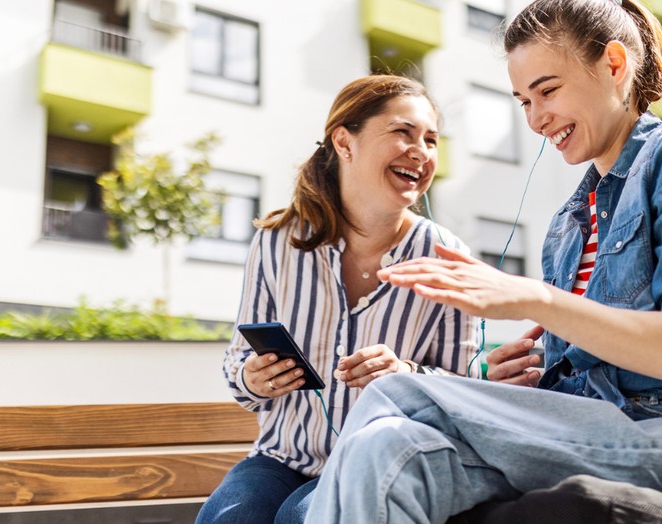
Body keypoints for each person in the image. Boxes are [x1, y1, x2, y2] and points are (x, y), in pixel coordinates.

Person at [303, 0, 662, 522]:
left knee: (399, 390)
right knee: (382, 451)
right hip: (594, 429)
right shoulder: (569, 222)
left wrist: (536, 298)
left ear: (614, 65)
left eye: (547, 91)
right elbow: (592, 360)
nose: (536, 119)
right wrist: (527, 380)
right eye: (523, 101)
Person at [194, 74, 480, 524]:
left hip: (381, 463)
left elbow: (464, 394)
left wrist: (404, 374)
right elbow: (237, 367)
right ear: (345, 143)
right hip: (282, 459)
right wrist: (254, 378)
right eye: (402, 133)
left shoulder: (447, 257)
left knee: (304, 517)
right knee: (232, 518)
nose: (421, 152)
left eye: (430, 140)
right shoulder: (277, 241)